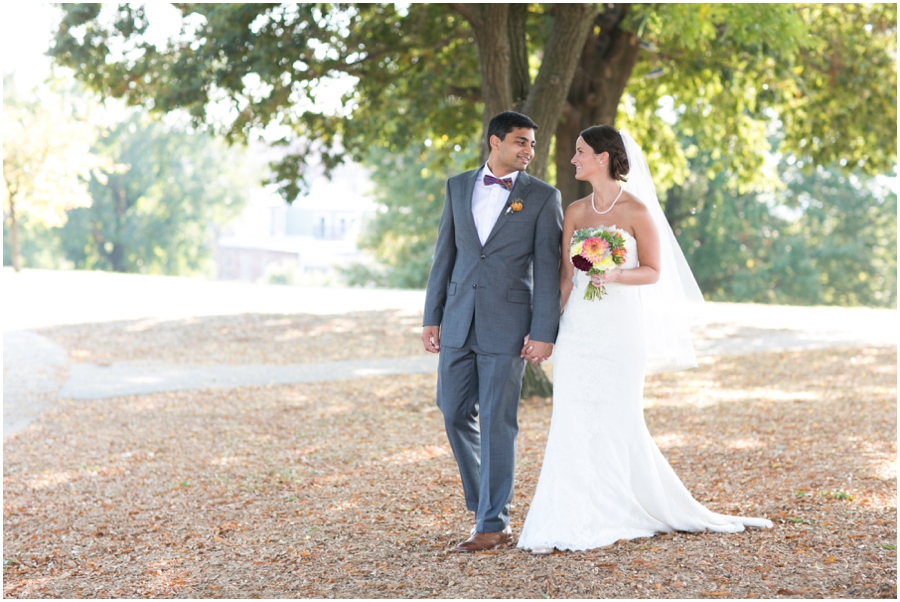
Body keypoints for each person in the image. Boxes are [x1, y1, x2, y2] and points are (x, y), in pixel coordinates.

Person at [517, 125, 773, 554]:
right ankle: (569, 513)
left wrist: (614, 273)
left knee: (618, 418)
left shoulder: (637, 211)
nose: (573, 159)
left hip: (620, 331)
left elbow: (653, 270)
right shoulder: (576, 212)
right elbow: (565, 277)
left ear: (603, 157)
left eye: (581, 152)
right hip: (580, 329)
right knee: (573, 418)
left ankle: (624, 506)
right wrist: (544, 331)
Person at [422, 111, 563, 553]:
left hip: (509, 325)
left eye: (533, 145)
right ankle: (484, 501)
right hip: (459, 320)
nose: (529, 151)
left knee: (498, 424)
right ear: (495, 142)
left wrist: (544, 331)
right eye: (521, 142)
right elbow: (445, 255)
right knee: (451, 410)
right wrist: (432, 315)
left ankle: (492, 522)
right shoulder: (458, 186)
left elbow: (548, 268)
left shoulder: (543, 197)